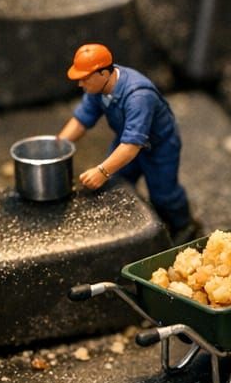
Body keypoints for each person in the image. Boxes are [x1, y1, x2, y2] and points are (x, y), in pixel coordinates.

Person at [57, 42, 199, 243]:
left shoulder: (138, 95)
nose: (81, 84)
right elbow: (83, 118)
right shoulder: (96, 89)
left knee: (163, 195)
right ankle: (129, 230)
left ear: (103, 74)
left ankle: (184, 226)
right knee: (116, 184)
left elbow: (132, 146)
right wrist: (58, 145)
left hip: (158, 148)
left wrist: (102, 171)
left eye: (84, 78)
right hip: (125, 141)